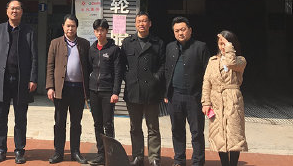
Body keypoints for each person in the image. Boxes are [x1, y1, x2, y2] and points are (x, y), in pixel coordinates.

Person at [0, 0, 39, 164]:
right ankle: (1, 149)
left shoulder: (29, 31)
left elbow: (34, 57)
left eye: (17, 8)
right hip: (1, 80)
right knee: (0, 117)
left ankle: (19, 150)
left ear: (22, 11)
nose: (14, 11)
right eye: (12, 8)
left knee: (20, 118)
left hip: (21, 81)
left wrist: (33, 78)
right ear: (7, 11)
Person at [164, 16, 210, 166]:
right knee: (177, 130)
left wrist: (206, 98)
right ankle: (179, 160)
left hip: (194, 97)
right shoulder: (170, 47)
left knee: (196, 132)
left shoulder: (200, 47)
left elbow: (208, 74)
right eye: (177, 31)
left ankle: (198, 162)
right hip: (175, 96)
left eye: (183, 29)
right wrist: (166, 93)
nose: (180, 33)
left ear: (190, 30)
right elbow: (167, 70)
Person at [121, 11, 166, 166]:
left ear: (150, 23)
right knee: (135, 128)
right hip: (133, 91)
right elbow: (121, 64)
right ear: (135, 24)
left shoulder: (158, 43)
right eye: (139, 21)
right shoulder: (128, 42)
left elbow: (163, 65)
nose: (142, 24)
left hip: (152, 91)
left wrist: (156, 78)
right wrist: (128, 78)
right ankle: (137, 156)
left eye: (144, 21)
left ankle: (154, 158)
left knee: (153, 128)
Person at [46, 14, 91, 164]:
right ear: (63, 27)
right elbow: (50, 66)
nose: (70, 28)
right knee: (60, 122)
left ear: (77, 27)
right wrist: (50, 87)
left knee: (76, 123)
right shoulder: (55, 43)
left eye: (73, 26)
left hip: (78, 89)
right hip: (61, 89)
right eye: (68, 26)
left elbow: (89, 66)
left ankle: (75, 152)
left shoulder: (84, 44)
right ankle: (58, 152)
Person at [201, 31, 248, 166]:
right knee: (219, 135)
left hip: (233, 100)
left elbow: (231, 63)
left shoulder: (240, 60)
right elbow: (207, 82)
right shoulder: (212, 61)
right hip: (216, 100)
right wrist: (206, 102)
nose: (222, 47)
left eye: (225, 44)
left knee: (234, 134)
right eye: (220, 44)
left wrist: (228, 48)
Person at [87, 18, 122, 166]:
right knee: (97, 123)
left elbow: (118, 73)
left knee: (108, 123)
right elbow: (89, 68)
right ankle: (101, 154)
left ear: (107, 31)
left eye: (102, 30)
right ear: (94, 32)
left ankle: (111, 155)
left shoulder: (114, 50)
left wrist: (115, 92)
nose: (99, 33)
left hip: (108, 92)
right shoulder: (92, 49)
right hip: (94, 91)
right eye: (97, 30)